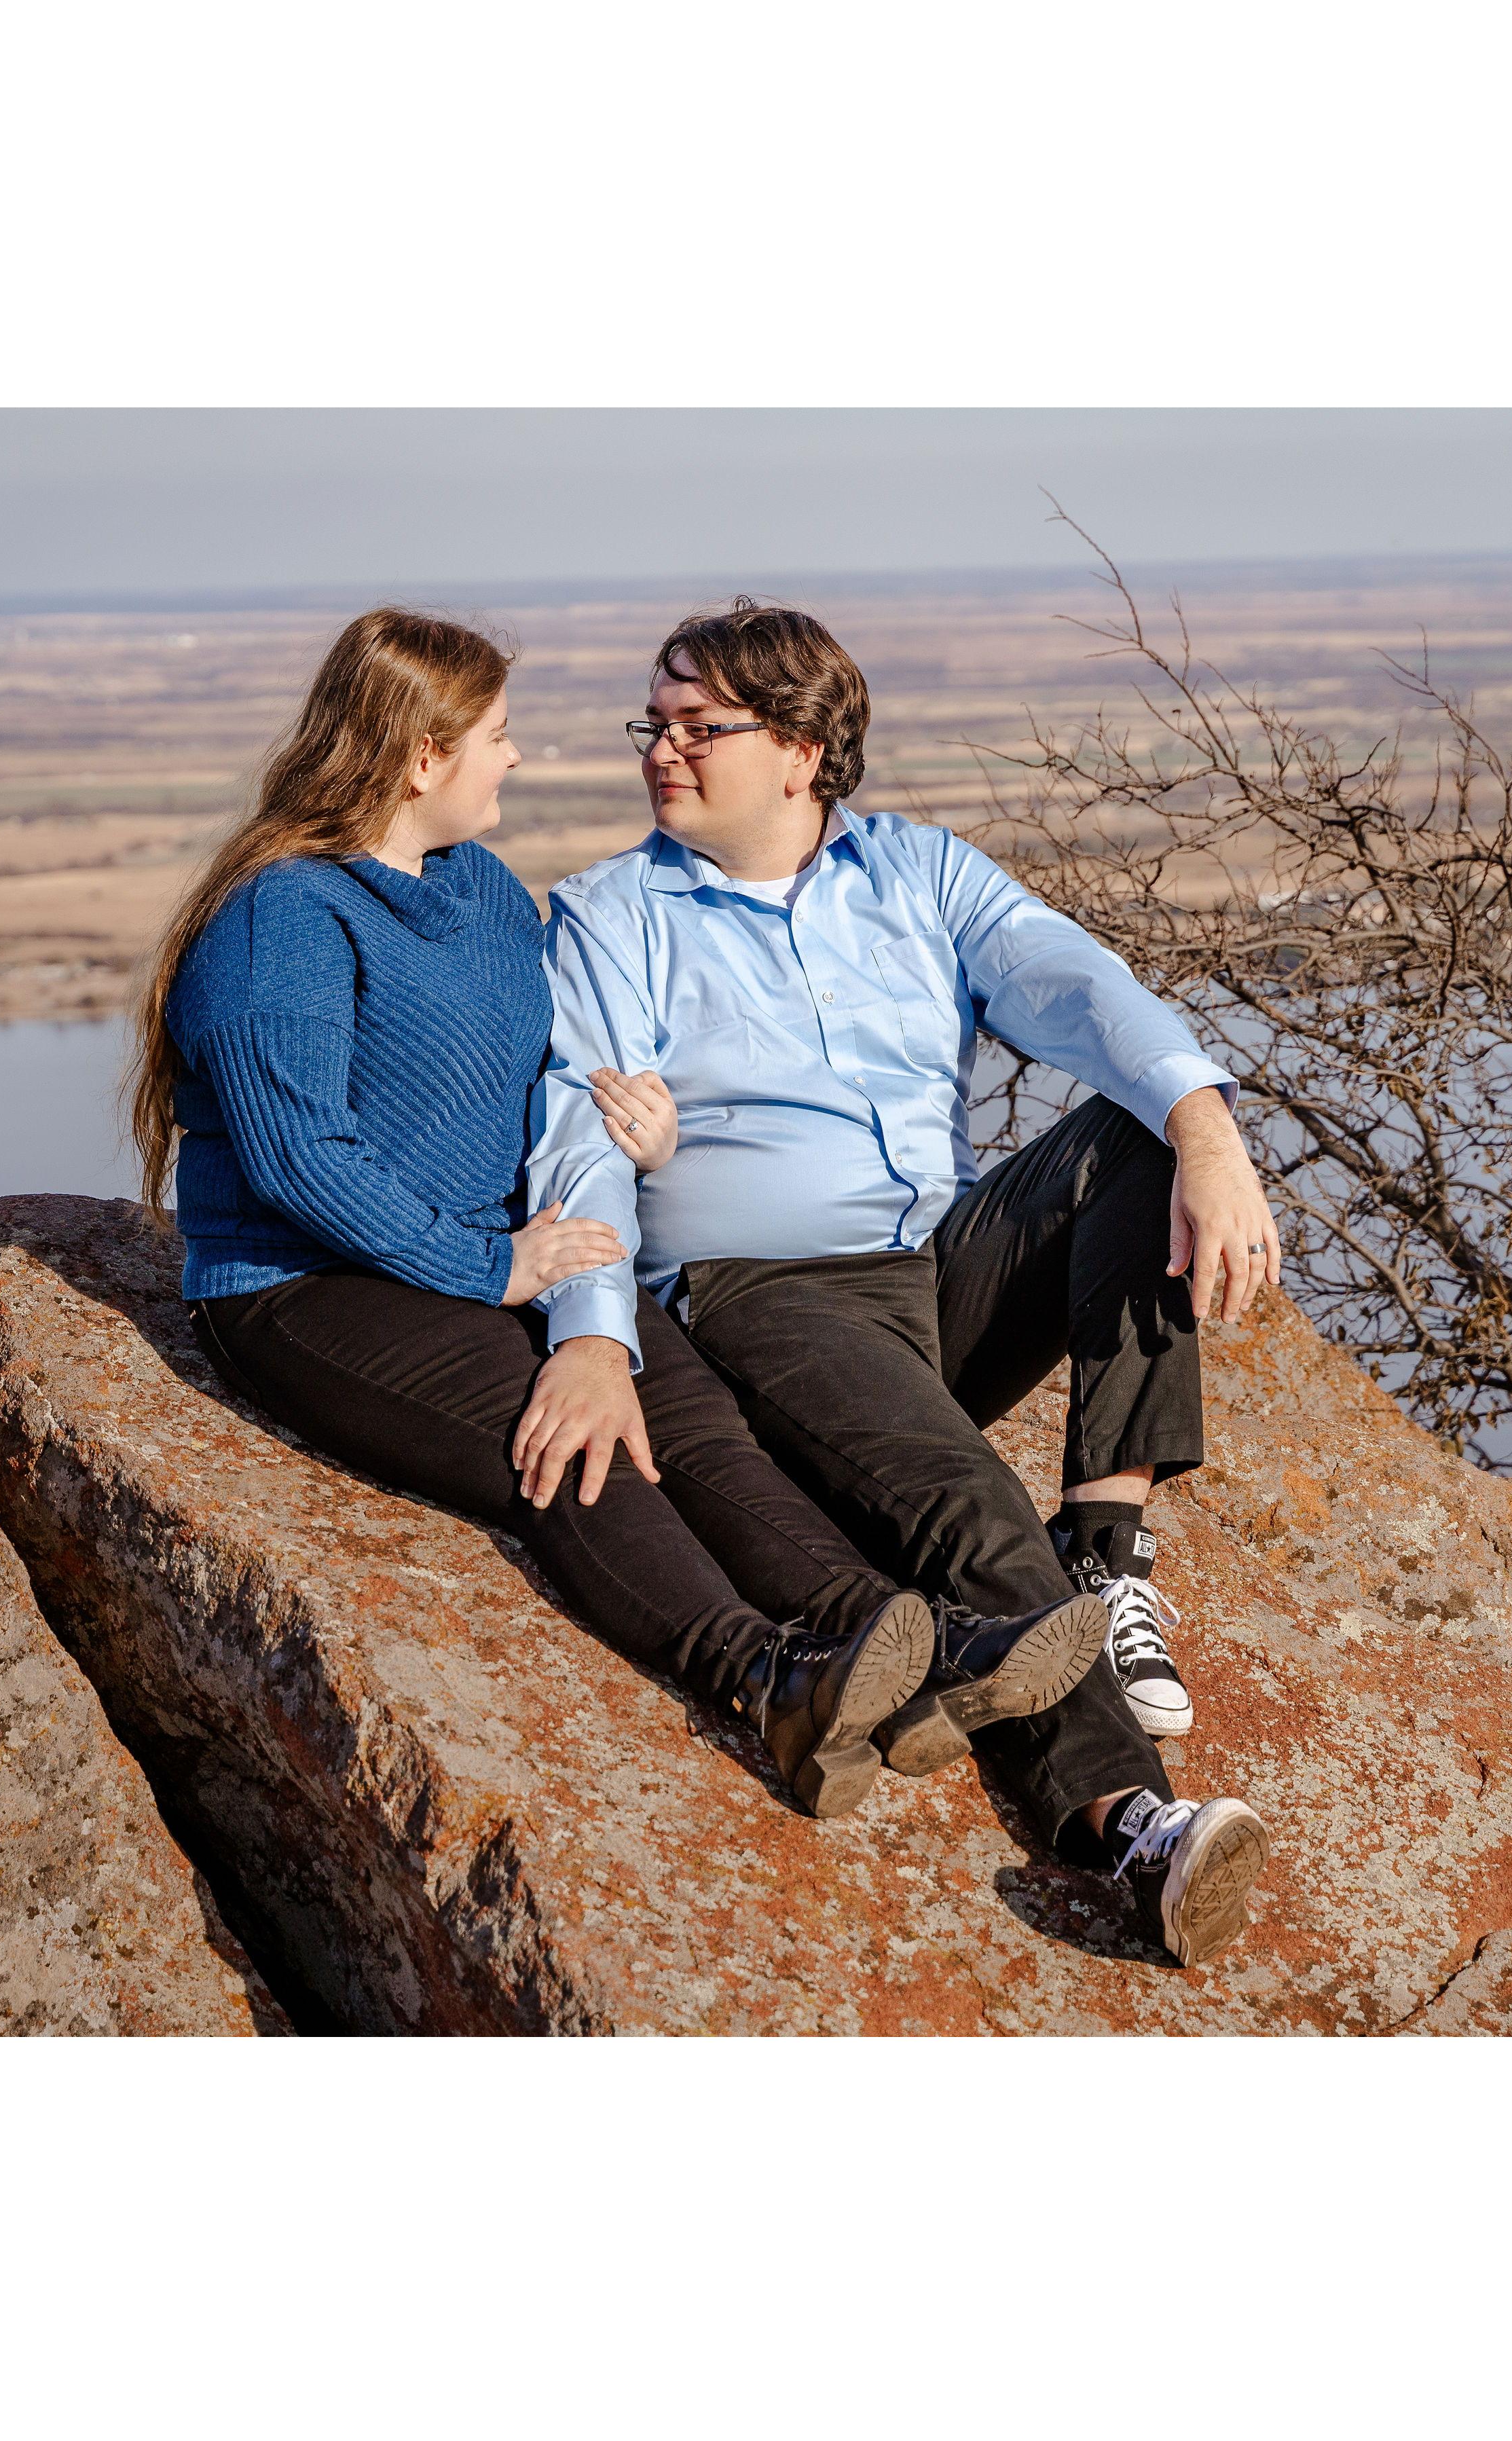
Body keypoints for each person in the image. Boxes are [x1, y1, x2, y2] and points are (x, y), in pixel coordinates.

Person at [124, 606, 1090, 1824]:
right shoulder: (285, 917)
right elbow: (297, 1160)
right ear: (421, 757)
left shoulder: (479, 891)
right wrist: (489, 1269)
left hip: (495, 1245)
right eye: (496, 736)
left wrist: (641, 1169)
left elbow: (560, 1085)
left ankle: (913, 1647)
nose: (516, 757)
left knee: (692, 1418)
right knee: (574, 1440)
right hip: (307, 1283)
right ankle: (769, 1678)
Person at [525, 600, 1278, 1964]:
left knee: (1135, 1133)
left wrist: (1206, 1130)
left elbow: (1077, 986)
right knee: (967, 1502)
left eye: (699, 727)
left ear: (802, 749)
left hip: (936, 1267)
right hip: (770, 1293)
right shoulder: (613, 916)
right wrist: (591, 1336)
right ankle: (1134, 1826)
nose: (661, 751)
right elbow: (580, 1137)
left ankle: (1108, 1552)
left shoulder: (921, 873)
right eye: (655, 724)